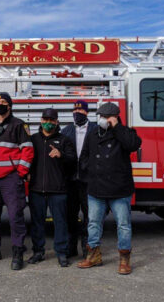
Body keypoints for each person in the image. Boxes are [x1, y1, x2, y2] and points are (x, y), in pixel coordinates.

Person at [78, 102, 142, 275]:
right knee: (93, 224)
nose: (102, 120)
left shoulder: (125, 132)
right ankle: (93, 255)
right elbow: (84, 157)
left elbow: (132, 145)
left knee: (123, 225)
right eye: (100, 116)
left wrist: (116, 127)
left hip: (119, 189)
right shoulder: (93, 134)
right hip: (96, 188)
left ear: (114, 117)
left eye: (105, 117)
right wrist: (89, 174)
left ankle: (124, 259)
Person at [0, 92, 34, 270]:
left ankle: (18, 251)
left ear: (10, 106)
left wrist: (20, 172)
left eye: (3, 102)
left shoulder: (19, 125)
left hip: (11, 178)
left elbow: (27, 150)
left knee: (15, 216)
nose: (0, 104)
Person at [28, 108, 76, 267]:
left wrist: (61, 155)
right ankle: (38, 252)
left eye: (52, 120)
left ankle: (61, 253)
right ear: (41, 121)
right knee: (37, 223)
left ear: (57, 122)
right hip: (36, 189)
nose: (48, 123)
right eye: (45, 119)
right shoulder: (33, 139)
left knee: (61, 222)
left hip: (58, 190)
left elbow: (73, 160)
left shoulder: (65, 140)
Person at [60, 100, 96, 258]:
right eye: (75, 109)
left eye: (80, 110)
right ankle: (71, 247)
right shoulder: (66, 130)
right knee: (70, 215)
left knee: (90, 216)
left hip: (89, 181)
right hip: (71, 180)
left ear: (87, 112)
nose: (77, 112)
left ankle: (87, 247)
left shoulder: (96, 130)